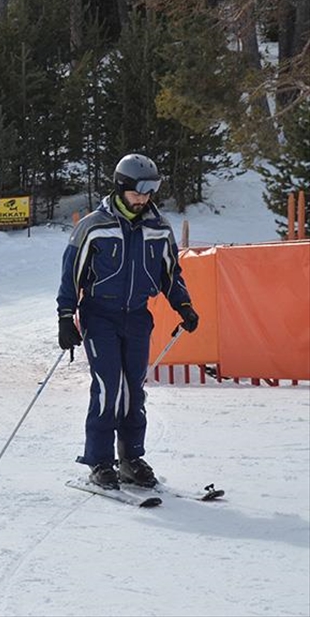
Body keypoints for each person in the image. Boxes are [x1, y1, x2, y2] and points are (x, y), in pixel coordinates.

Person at [57, 153, 198, 491]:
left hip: (137, 316)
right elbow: (70, 274)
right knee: (108, 387)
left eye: (150, 193)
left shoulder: (159, 228)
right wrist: (65, 316)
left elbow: (170, 274)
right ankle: (100, 461)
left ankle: (131, 458)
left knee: (134, 388)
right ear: (121, 188)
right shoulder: (93, 226)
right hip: (99, 314)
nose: (143, 199)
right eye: (138, 192)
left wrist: (184, 305)